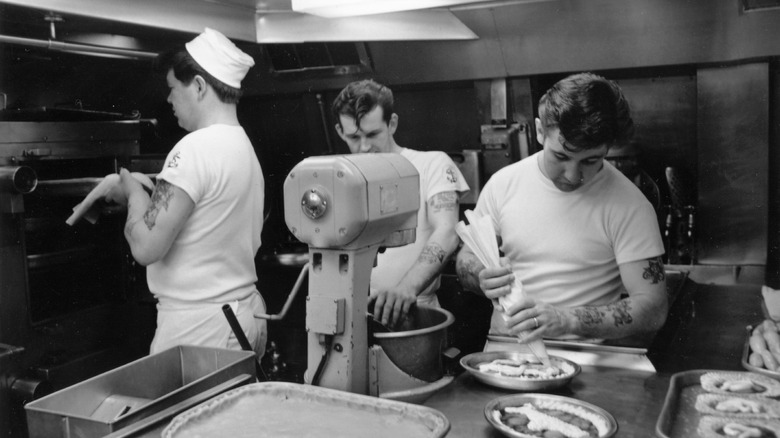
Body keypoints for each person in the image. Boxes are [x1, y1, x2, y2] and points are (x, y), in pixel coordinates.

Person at [456, 72, 667, 343]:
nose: (572, 175)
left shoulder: (630, 205)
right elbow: (466, 258)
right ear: (540, 131)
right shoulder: (503, 184)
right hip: (504, 356)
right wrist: (478, 274)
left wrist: (567, 319)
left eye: (591, 161)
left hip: (587, 365)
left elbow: (653, 307)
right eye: (561, 156)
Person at [103, 28, 267, 357]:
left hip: (201, 329)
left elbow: (147, 246)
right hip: (243, 315)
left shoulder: (193, 149)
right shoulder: (241, 145)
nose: (169, 99)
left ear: (200, 86)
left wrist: (133, 190)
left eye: (173, 88)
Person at [331, 79, 469, 327]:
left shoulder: (432, 165)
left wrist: (406, 287)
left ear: (392, 123)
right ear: (340, 132)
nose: (364, 147)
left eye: (373, 134)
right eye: (354, 137)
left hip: (415, 312)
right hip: (350, 318)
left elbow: (447, 232)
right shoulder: (338, 179)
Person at [605, 140, 662, 210]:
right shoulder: (603, 179)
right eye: (629, 159)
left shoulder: (645, 181)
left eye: (635, 158)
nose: (635, 163)